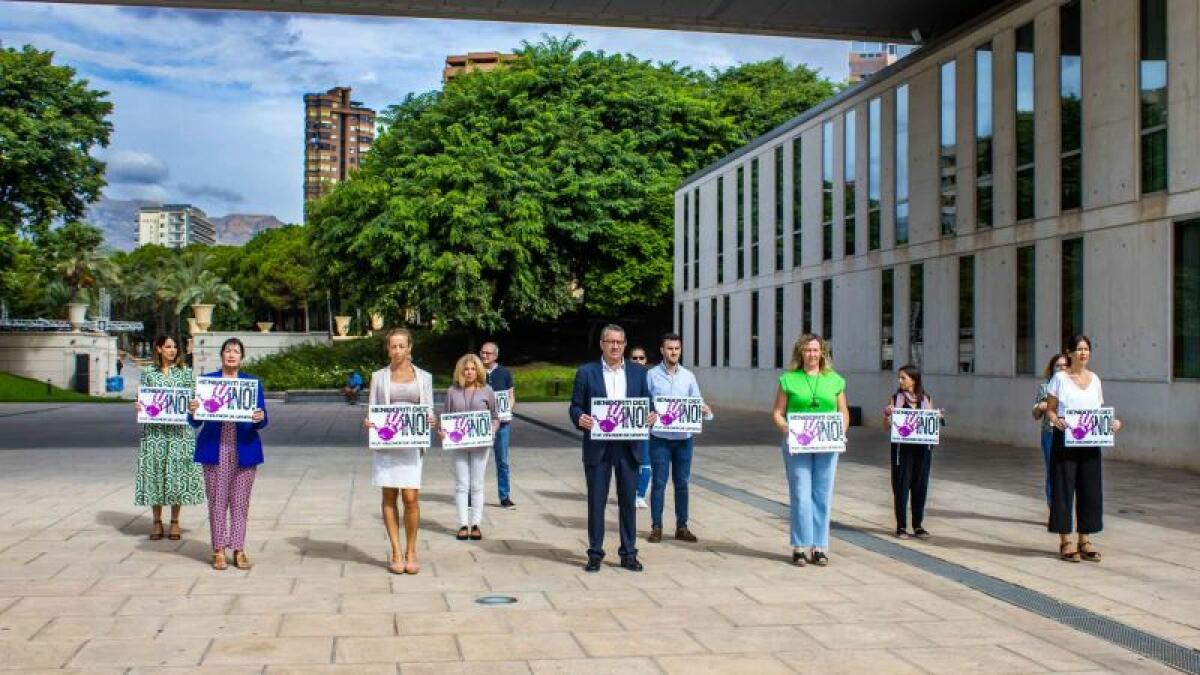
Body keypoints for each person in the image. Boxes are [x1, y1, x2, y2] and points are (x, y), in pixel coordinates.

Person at [568, 324, 657, 572]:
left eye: (619, 342)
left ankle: (628, 553)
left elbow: (648, 405)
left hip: (629, 447)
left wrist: (652, 416)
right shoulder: (587, 373)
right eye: (610, 342)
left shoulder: (640, 373)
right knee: (596, 502)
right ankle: (595, 553)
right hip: (599, 447)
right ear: (602, 344)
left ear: (625, 344)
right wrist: (579, 418)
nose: (615, 346)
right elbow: (575, 406)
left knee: (628, 502)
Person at [187, 338, 267, 571]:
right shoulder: (208, 382)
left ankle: (239, 549)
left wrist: (260, 417)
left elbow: (263, 417)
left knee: (241, 503)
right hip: (215, 448)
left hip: (244, 449)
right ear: (221, 355)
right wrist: (193, 411)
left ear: (242, 357)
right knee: (217, 501)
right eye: (228, 351)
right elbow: (195, 420)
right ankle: (219, 549)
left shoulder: (251, 383)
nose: (232, 355)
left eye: (236, 351)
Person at [771, 334, 850, 567]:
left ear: (822, 353)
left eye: (816, 350)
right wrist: (786, 428)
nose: (812, 355)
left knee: (822, 495)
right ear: (800, 353)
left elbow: (843, 411)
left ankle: (819, 546)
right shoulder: (788, 380)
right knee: (801, 494)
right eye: (807, 350)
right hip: (798, 444)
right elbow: (777, 412)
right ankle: (799, 545)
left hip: (827, 444)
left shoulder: (835, 380)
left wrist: (841, 432)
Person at [1042, 335, 1123, 563]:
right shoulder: (1059, 378)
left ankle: (1085, 538)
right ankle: (1065, 540)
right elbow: (1050, 409)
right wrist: (1055, 420)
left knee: (1090, 489)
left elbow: (1098, 411)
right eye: (1079, 349)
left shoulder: (1095, 379)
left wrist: (1111, 424)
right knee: (1063, 488)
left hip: (1089, 443)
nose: (1083, 353)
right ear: (1069, 352)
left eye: (1086, 349)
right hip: (1065, 439)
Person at [365, 328, 435, 574]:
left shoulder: (424, 377)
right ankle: (396, 550)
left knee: (411, 498)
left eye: (401, 346)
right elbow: (373, 410)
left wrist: (431, 420)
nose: (397, 351)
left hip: (412, 444)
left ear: (409, 348)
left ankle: (412, 550)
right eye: (393, 346)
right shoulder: (379, 377)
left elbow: (428, 410)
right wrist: (370, 423)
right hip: (387, 445)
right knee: (389, 497)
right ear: (388, 349)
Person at [133, 334, 204, 541]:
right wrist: (139, 405)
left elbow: (194, 399)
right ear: (158, 349)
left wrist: (195, 406)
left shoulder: (185, 373)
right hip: (155, 433)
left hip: (179, 433)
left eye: (174, 347)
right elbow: (143, 399)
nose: (172, 350)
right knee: (155, 473)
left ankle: (174, 521)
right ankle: (156, 521)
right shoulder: (148, 373)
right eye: (168, 347)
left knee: (177, 476)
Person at [646, 333, 712, 543]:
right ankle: (656, 526)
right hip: (660, 438)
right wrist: (650, 413)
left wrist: (705, 411)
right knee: (658, 483)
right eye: (669, 348)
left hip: (684, 439)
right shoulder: (652, 375)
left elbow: (697, 401)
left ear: (680, 350)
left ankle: (681, 527)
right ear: (662, 350)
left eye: (676, 348)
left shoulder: (688, 376)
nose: (673, 352)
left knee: (682, 483)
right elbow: (645, 401)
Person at [442, 354, 500, 541]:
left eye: (473, 369)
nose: (469, 372)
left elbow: (495, 416)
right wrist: (443, 431)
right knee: (461, 485)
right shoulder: (452, 391)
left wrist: (491, 430)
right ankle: (462, 524)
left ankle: (476, 524)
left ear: (478, 371)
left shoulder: (487, 390)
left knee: (477, 485)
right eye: (466, 369)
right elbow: (446, 417)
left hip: (480, 445)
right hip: (458, 444)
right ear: (460, 371)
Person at [882, 364, 941, 540]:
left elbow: (931, 423)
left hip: (922, 451)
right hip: (903, 450)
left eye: (903, 378)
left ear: (913, 380)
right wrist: (887, 415)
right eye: (899, 378)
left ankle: (918, 525)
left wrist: (937, 418)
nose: (900, 381)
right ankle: (901, 526)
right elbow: (885, 426)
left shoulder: (926, 399)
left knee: (920, 487)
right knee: (901, 487)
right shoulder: (896, 399)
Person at [480, 342, 516, 508]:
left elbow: (511, 395)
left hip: (502, 424)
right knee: (478, 460)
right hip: (481, 424)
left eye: (487, 353)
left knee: (502, 460)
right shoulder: (476, 371)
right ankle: (473, 495)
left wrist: (507, 409)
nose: (484, 355)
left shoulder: (504, 373)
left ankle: (504, 495)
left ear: (495, 355)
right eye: (482, 352)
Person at [1033, 353, 1069, 509]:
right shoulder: (1045, 388)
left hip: (1071, 434)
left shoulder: (1075, 387)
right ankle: (1053, 508)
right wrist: (1039, 407)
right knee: (1052, 471)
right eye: (1058, 366)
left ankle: (1066, 508)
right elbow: (1035, 414)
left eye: (1064, 365)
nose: (1061, 368)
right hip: (1051, 434)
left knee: (1069, 472)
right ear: (1052, 368)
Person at [628, 346, 652, 509]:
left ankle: (640, 494)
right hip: (629, 426)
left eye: (641, 358)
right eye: (634, 358)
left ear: (646, 360)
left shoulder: (654, 377)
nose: (638, 361)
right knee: (630, 463)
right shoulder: (624, 376)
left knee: (646, 463)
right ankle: (632, 493)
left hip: (650, 425)